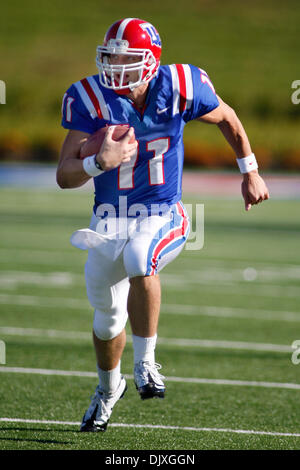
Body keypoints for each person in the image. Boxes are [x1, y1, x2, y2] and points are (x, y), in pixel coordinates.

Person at [56, 17, 269, 432]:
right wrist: (96, 162)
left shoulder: (180, 86)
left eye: (126, 58)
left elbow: (227, 117)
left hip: (162, 212)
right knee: (106, 319)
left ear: (150, 62)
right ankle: (107, 389)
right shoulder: (88, 96)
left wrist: (251, 171)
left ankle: (146, 362)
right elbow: (64, 174)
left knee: (141, 257)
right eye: (111, 56)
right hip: (108, 221)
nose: (116, 65)